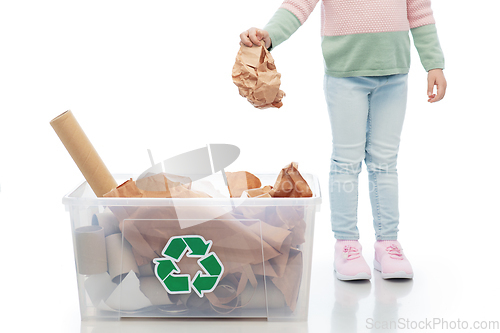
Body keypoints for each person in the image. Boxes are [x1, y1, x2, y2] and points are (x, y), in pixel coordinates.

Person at [240, 0, 447, 280]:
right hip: (345, 76)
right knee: (347, 160)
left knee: (385, 161)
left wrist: (433, 63)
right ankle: (346, 244)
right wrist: (270, 34)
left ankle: (388, 243)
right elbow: (298, 5)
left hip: (395, 74)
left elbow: (419, 12)